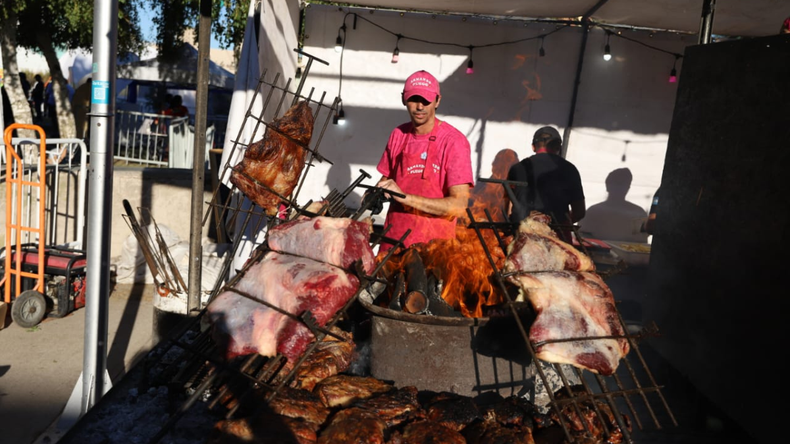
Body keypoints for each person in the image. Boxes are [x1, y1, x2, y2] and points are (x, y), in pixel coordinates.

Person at [373, 70, 473, 251]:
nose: (420, 106)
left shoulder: (454, 142)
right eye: (414, 99)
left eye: (426, 100)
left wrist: (405, 198)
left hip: (432, 249)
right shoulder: (398, 134)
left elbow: (459, 206)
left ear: (437, 101)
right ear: (403, 99)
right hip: (392, 242)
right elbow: (386, 180)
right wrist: (375, 194)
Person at [506, 126, 585, 243]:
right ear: (558, 147)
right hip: (557, 238)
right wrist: (557, 225)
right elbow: (579, 212)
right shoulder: (570, 169)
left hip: (521, 235)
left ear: (533, 147)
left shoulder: (517, 168)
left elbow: (509, 204)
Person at [579, 168, 648, 243]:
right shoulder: (593, 212)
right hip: (598, 250)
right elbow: (582, 237)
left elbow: (641, 241)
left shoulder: (638, 213)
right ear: (607, 186)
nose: (620, 188)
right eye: (617, 184)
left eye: (623, 184)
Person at [468, 148, 519, 222]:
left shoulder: (516, 189)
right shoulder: (481, 187)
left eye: (499, 161)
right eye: (496, 160)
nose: (493, 163)